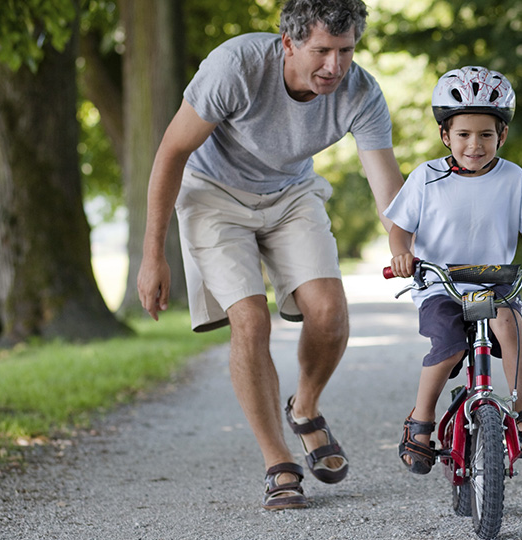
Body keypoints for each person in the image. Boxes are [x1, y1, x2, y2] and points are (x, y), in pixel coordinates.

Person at [136, 0, 403, 510]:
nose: (335, 66)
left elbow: (386, 190)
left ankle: (305, 408)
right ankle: (278, 462)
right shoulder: (235, 68)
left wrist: (404, 245)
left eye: (346, 51)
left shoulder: (361, 91)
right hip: (214, 195)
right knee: (251, 321)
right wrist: (154, 255)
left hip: (290, 194)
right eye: (322, 50)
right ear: (288, 42)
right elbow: (171, 151)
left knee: (329, 311)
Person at [385, 66, 522, 474]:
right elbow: (400, 230)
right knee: (448, 346)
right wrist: (401, 254)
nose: (475, 144)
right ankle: (421, 421)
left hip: (496, 282)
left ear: (501, 136)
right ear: (445, 136)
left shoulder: (514, 178)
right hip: (440, 283)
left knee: (511, 325)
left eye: (486, 134)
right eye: (464, 134)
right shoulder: (426, 178)